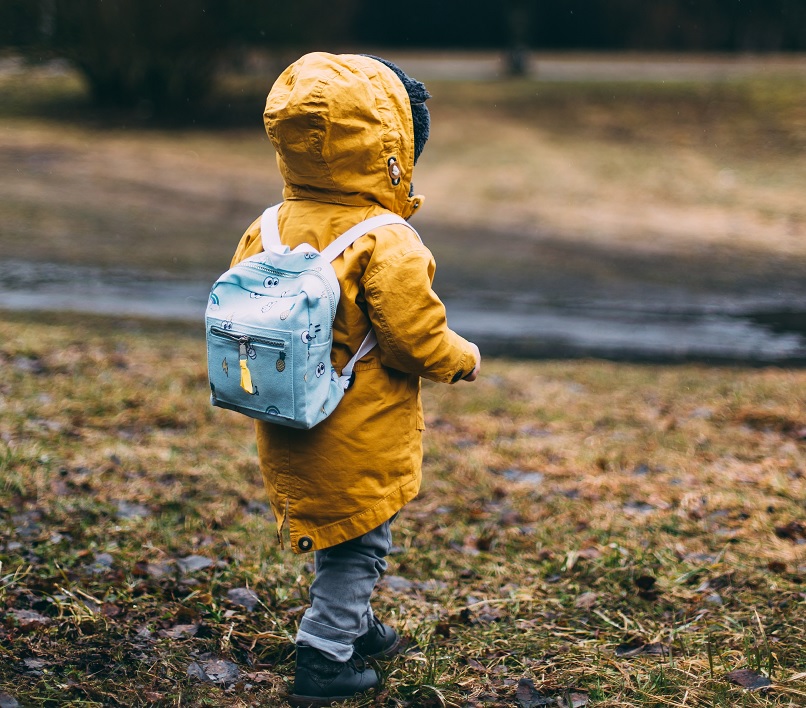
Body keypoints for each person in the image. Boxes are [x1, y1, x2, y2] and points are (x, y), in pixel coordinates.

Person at [228, 52, 481, 706]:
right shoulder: (385, 238)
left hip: (287, 418)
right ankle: (325, 654)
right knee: (361, 543)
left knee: (341, 530)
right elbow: (412, 336)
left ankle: (356, 624)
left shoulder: (269, 227)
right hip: (356, 427)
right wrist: (462, 356)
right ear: (391, 150)